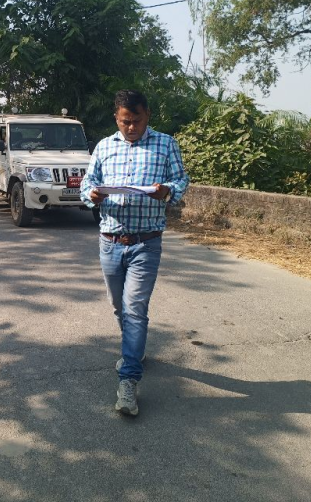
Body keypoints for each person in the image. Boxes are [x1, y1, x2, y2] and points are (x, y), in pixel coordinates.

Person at [80, 90, 189, 416]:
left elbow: (181, 180)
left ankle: (128, 380)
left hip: (146, 242)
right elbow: (87, 183)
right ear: (116, 118)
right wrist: (92, 195)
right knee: (119, 307)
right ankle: (134, 349)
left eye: (137, 121)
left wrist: (167, 191)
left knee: (134, 309)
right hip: (110, 241)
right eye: (125, 122)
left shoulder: (166, 144)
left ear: (147, 115)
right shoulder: (104, 147)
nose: (131, 127)